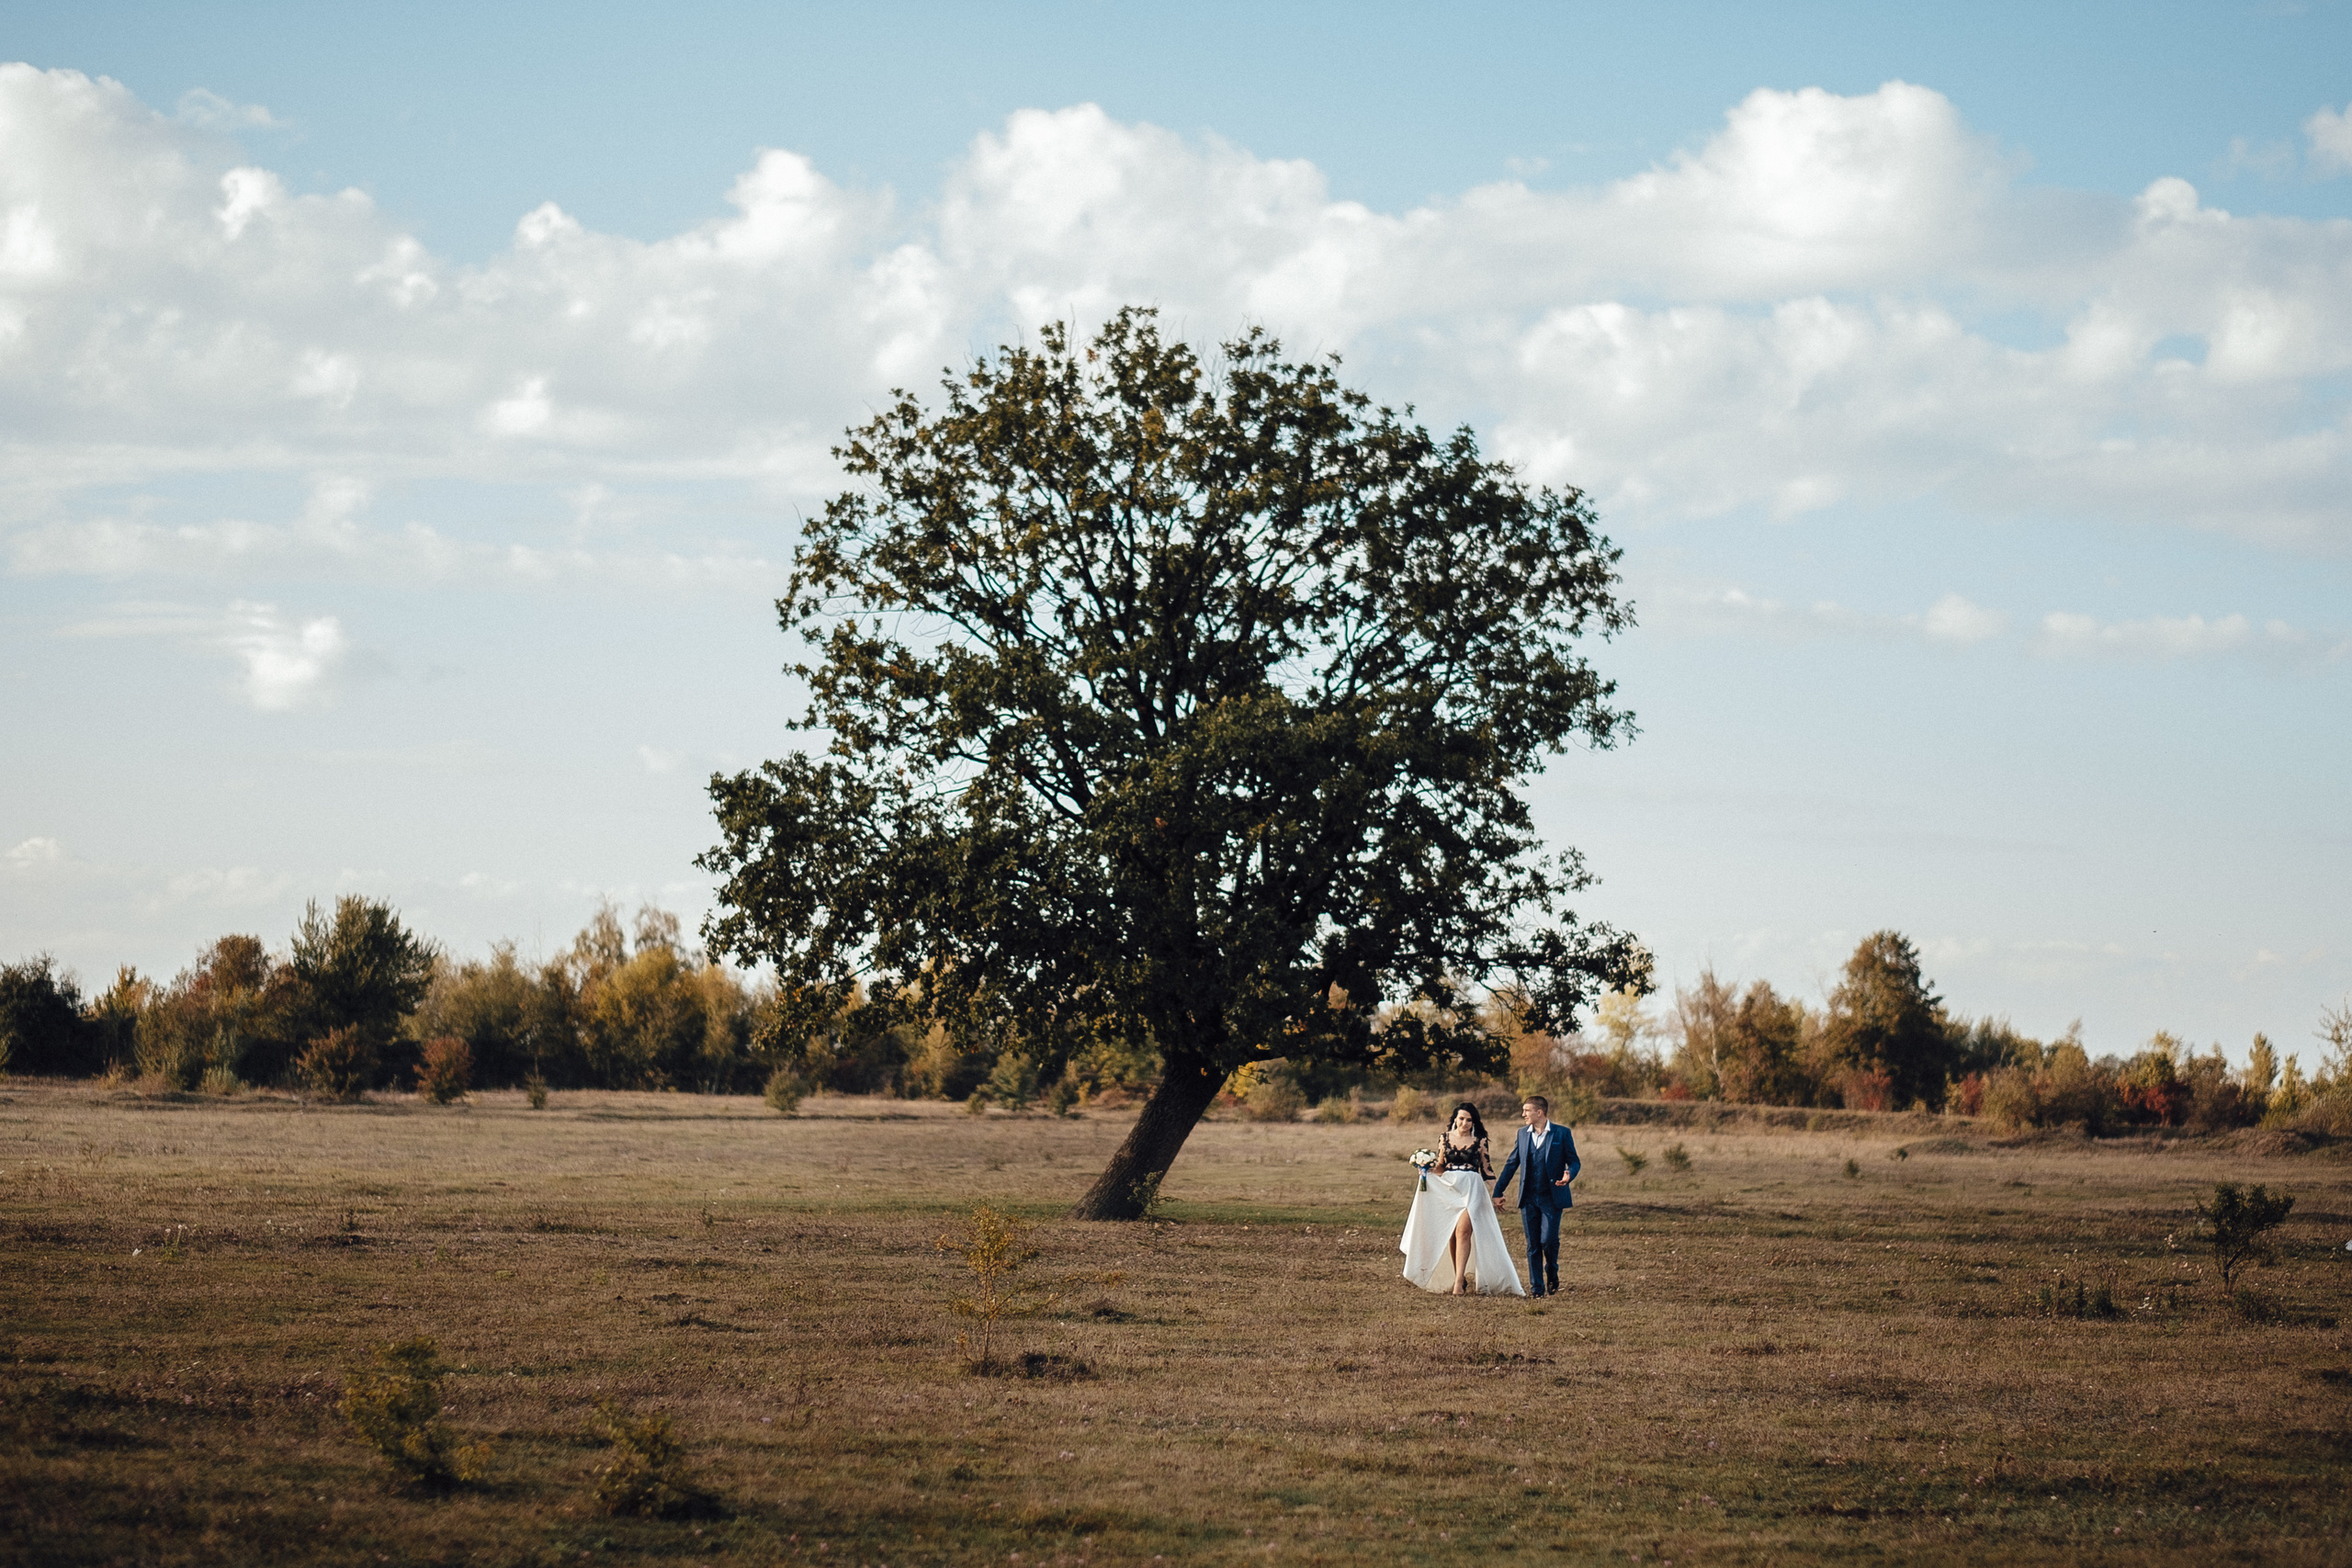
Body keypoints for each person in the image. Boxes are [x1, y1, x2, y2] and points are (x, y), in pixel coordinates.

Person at [1398, 1101, 1526, 1296]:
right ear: (1455, 1119)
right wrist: (1425, 1170)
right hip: (1449, 1188)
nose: (1464, 1123)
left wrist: (1498, 1192)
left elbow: (1487, 1170)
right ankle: (1461, 1276)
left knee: (1463, 1231)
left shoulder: (1479, 1141)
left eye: (1468, 1120)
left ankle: (1458, 1283)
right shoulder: (1444, 1138)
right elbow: (1441, 1165)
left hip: (1472, 1188)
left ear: (1473, 1122)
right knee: (1452, 1233)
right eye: (1461, 1119)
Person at [1492, 1094, 1580, 1297]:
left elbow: (1575, 1161)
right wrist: (1498, 1191)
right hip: (1529, 1197)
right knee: (1533, 1244)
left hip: (1552, 1197)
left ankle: (1552, 1270)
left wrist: (1569, 1174)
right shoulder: (1522, 1134)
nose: (1523, 1114)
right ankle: (1537, 1289)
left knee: (1548, 1240)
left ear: (1539, 1113)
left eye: (1526, 1110)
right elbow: (1511, 1163)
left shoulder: (1561, 1133)